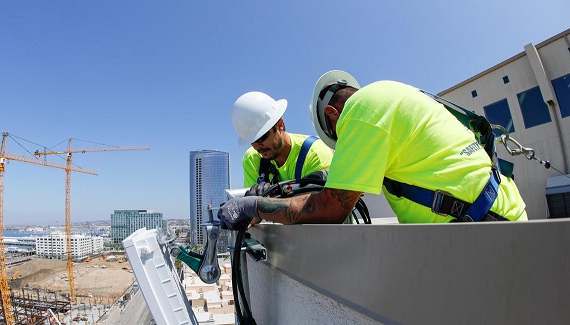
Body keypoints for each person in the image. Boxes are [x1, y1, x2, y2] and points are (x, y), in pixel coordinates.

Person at [219, 70, 527, 229]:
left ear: (333, 117)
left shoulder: (360, 115)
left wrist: (254, 206)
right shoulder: (388, 96)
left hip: (487, 225)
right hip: (496, 213)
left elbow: (332, 209)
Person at [232, 91, 334, 191]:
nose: (258, 146)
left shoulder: (315, 154)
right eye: (252, 141)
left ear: (280, 124)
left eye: (261, 138)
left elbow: (319, 205)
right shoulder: (252, 159)